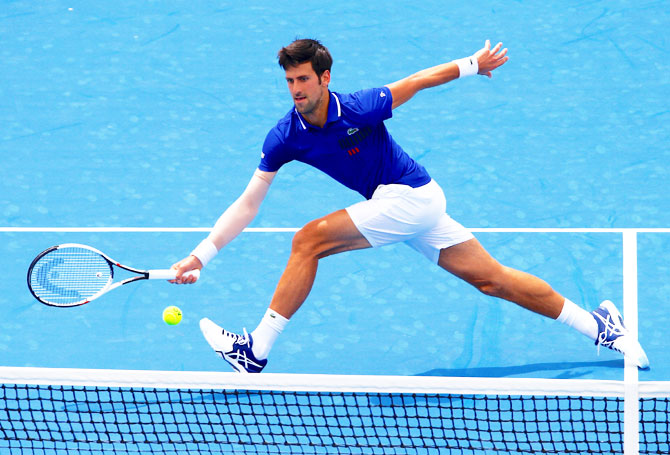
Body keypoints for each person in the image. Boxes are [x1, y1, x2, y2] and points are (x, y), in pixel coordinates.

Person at [171, 38, 649, 373]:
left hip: (412, 197)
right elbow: (248, 203)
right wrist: (200, 255)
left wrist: (471, 64)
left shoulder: (358, 106)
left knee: (308, 240)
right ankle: (600, 325)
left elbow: (417, 81)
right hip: (401, 207)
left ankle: (256, 350)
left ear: (324, 78)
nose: (296, 90)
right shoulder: (284, 137)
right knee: (493, 280)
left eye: (303, 79)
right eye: (289, 81)